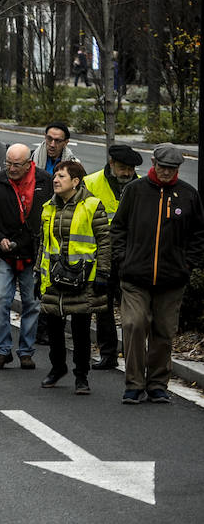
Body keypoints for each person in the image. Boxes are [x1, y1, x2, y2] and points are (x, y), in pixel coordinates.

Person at [111, 144, 204, 405]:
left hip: (172, 279)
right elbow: (118, 227)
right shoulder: (135, 191)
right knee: (134, 324)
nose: (165, 172)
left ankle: (157, 385)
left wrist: (188, 265)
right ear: (153, 162)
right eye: (162, 166)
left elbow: (199, 234)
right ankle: (134, 384)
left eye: (171, 168)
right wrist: (122, 259)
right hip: (135, 277)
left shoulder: (188, 195)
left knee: (163, 331)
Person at [37, 161, 111, 395]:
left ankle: (82, 376)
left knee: (80, 330)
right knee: (54, 328)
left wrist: (102, 274)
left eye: (61, 177)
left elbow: (104, 242)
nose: (55, 180)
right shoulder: (48, 206)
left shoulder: (92, 205)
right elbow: (43, 243)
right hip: (54, 278)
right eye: (55, 176)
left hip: (83, 279)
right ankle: (57, 368)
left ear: (76, 181)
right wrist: (38, 273)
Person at [0, 143, 52, 370]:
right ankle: (2, 350)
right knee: (1, 297)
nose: (11, 168)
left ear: (29, 163)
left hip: (32, 253)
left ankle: (26, 351)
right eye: (8, 163)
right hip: (4, 252)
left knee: (31, 303)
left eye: (16, 165)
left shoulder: (45, 181)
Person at [82, 144, 142, 370]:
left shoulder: (140, 185)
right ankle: (107, 354)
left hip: (130, 257)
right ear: (111, 164)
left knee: (132, 310)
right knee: (103, 308)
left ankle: (133, 355)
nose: (127, 173)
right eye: (123, 168)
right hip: (102, 258)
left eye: (130, 169)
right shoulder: (91, 183)